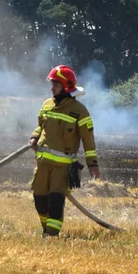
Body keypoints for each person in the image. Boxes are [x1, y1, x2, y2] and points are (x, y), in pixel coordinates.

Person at [29, 65, 99, 238]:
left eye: (56, 85)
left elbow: (88, 140)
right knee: (39, 199)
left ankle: (52, 234)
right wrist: (34, 137)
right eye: (52, 84)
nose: (52, 88)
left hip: (62, 167)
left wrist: (93, 165)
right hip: (43, 163)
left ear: (66, 86)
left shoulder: (79, 111)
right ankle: (46, 229)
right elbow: (40, 126)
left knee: (56, 201)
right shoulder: (46, 105)